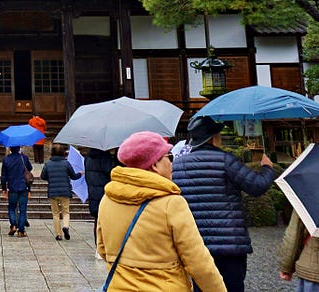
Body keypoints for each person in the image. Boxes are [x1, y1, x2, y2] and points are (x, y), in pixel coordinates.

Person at [96, 131, 225, 292]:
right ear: (155, 164)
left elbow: (102, 249)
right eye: (168, 157)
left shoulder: (108, 199)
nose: (172, 163)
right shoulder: (171, 204)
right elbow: (199, 263)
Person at [172, 115, 275, 292]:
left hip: (194, 241)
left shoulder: (177, 165)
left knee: (201, 287)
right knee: (231, 286)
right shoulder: (225, 160)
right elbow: (257, 186)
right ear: (213, 138)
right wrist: (267, 168)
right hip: (230, 242)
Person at [41, 143, 81, 240]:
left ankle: (59, 234)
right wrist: (79, 174)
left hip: (53, 192)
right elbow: (73, 176)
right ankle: (66, 226)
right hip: (65, 191)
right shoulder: (66, 163)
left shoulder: (48, 164)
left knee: (55, 213)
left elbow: (43, 176)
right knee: (66, 211)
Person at [1, 144, 33, 237]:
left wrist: (4, 188)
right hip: (23, 186)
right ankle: (21, 230)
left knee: (12, 207)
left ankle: (13, 225)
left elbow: (3, 176)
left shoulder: (6, 159)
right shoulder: (24, 158)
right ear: (19, 148)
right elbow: (30, 168)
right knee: (23, 209)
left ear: (10, 149)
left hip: (12, 187)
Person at [84, 147, 120, 223]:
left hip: (93, 193)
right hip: (105, 194)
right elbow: (111, 173)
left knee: (97, 221)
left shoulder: (88, 158)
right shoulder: (105, 158)